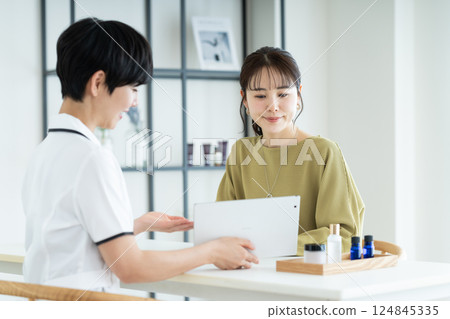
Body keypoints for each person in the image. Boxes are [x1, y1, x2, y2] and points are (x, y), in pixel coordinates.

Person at [22, 18, 258, 292]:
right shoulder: (92, 159)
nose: (135, 102)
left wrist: (135, 225)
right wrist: (212, 252)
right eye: (133, 89)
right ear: (98, 82)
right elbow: (131, 267)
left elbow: (66, 237)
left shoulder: (45, 152)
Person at [216, 46, 365, 255]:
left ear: (298, 96)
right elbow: (223, 225)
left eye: (283, 94)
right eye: (260, 96)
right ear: (245, 100)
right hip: (252, 273)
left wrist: (272, 245)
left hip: (310, 276)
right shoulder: (241, 153)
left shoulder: (324, 152)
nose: (272, 106)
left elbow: (344, 235)